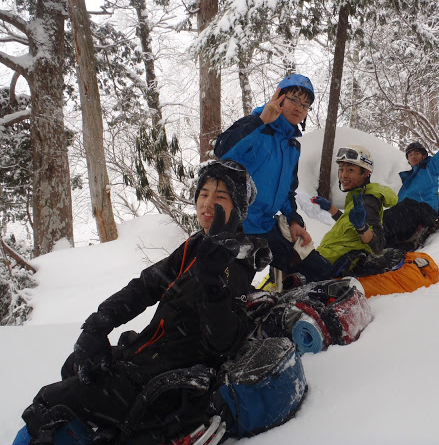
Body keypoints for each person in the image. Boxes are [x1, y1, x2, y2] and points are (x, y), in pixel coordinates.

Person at [14, 159, 271, 445]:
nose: (208, 203)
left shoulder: (235, 260)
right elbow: (147, 285)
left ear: (237, 209)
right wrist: (100, 323)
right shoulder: (200, 244)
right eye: (204, 193)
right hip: (148, 356)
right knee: (77, 363)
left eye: (221, 197)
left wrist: (213, 282)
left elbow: (222, 341)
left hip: (170, 383)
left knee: (47, 405)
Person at [214, 74, 328, 283]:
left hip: (266, 227)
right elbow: (222, 149)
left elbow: (287, 192)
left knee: (319, 270)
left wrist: (293, 219)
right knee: (235, 296)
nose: (299, 108)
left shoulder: (292, 146)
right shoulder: (257, 128)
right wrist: (260, 120)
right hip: (238, 229)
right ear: (279, 97)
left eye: (305, 105)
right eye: (294, 99)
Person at [383, 118, 439, 250]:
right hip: (409, 211)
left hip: (422, 209)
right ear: (408, 160)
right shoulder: (408, 180)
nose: (413, 156)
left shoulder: (430, 168)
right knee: (387, 227)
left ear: (424, 156)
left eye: (417, 153)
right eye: (410, 155)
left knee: (388, 219)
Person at [311, 145, 400, 278]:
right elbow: (350, 226)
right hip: (327, 256)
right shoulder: (357, 195)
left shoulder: (368, 200)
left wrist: (362, 227)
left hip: (335, 263)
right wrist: (331, 208)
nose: (343, 175)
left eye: (350, 170)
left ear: (366, 173)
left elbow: (377, 245)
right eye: (341, 169)